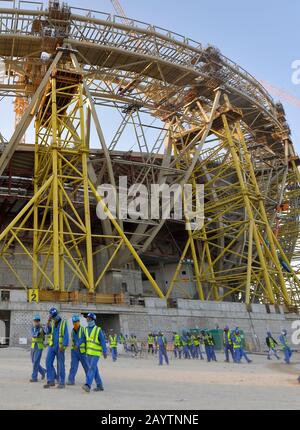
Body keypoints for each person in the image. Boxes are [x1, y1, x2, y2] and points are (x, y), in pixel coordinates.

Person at [44, 307, 69, 389]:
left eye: (54, 316)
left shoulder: (63, 323)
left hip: (60, 347)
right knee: (48, 362)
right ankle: (51, 380)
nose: (53, 317)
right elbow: (47, 332)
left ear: (57, 315)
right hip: (52, 346)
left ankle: (61, 382)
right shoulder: (51, 322)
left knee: (60, 364)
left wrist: (64, 346)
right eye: (52, 316)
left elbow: (66, 335)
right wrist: (47, 322)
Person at [82, 313, 107, 393]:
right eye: (87, 318)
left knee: (91, 368)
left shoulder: (98, 329)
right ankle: (100, 385)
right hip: (89, 353)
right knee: (94, 369)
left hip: (96, 353)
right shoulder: (85, 329)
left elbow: (102, 341)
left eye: (88, 318)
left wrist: (104, 351)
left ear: (92, 320)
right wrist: (77, 344)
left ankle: (87, 385)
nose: (87, 319)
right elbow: (82, 339)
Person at [67, 315, 88, 386]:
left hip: (82, 352)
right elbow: (72, 341)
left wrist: (79, 345)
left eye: (77, 321)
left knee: (86, 366)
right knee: (73, 366)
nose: (75, 323)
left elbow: (84, 339)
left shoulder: (83, 330)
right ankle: (71, 380)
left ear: (79, 322)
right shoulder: (72, 331)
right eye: (74, 322)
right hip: (74, 352)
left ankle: (89, 380)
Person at [30, 315, 46, 382]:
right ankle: (43, 371)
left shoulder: (42, 329)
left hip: (39, 347)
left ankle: (34, 377)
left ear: (39, 321)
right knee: (33, 362)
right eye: (35, 321)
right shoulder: (32, 328)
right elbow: (33, 334)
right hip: (33, 346)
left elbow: (44, 333)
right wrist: (37, 333)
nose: (36, 322)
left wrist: (40, 332)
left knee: (36, 362)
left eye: (37, 321)